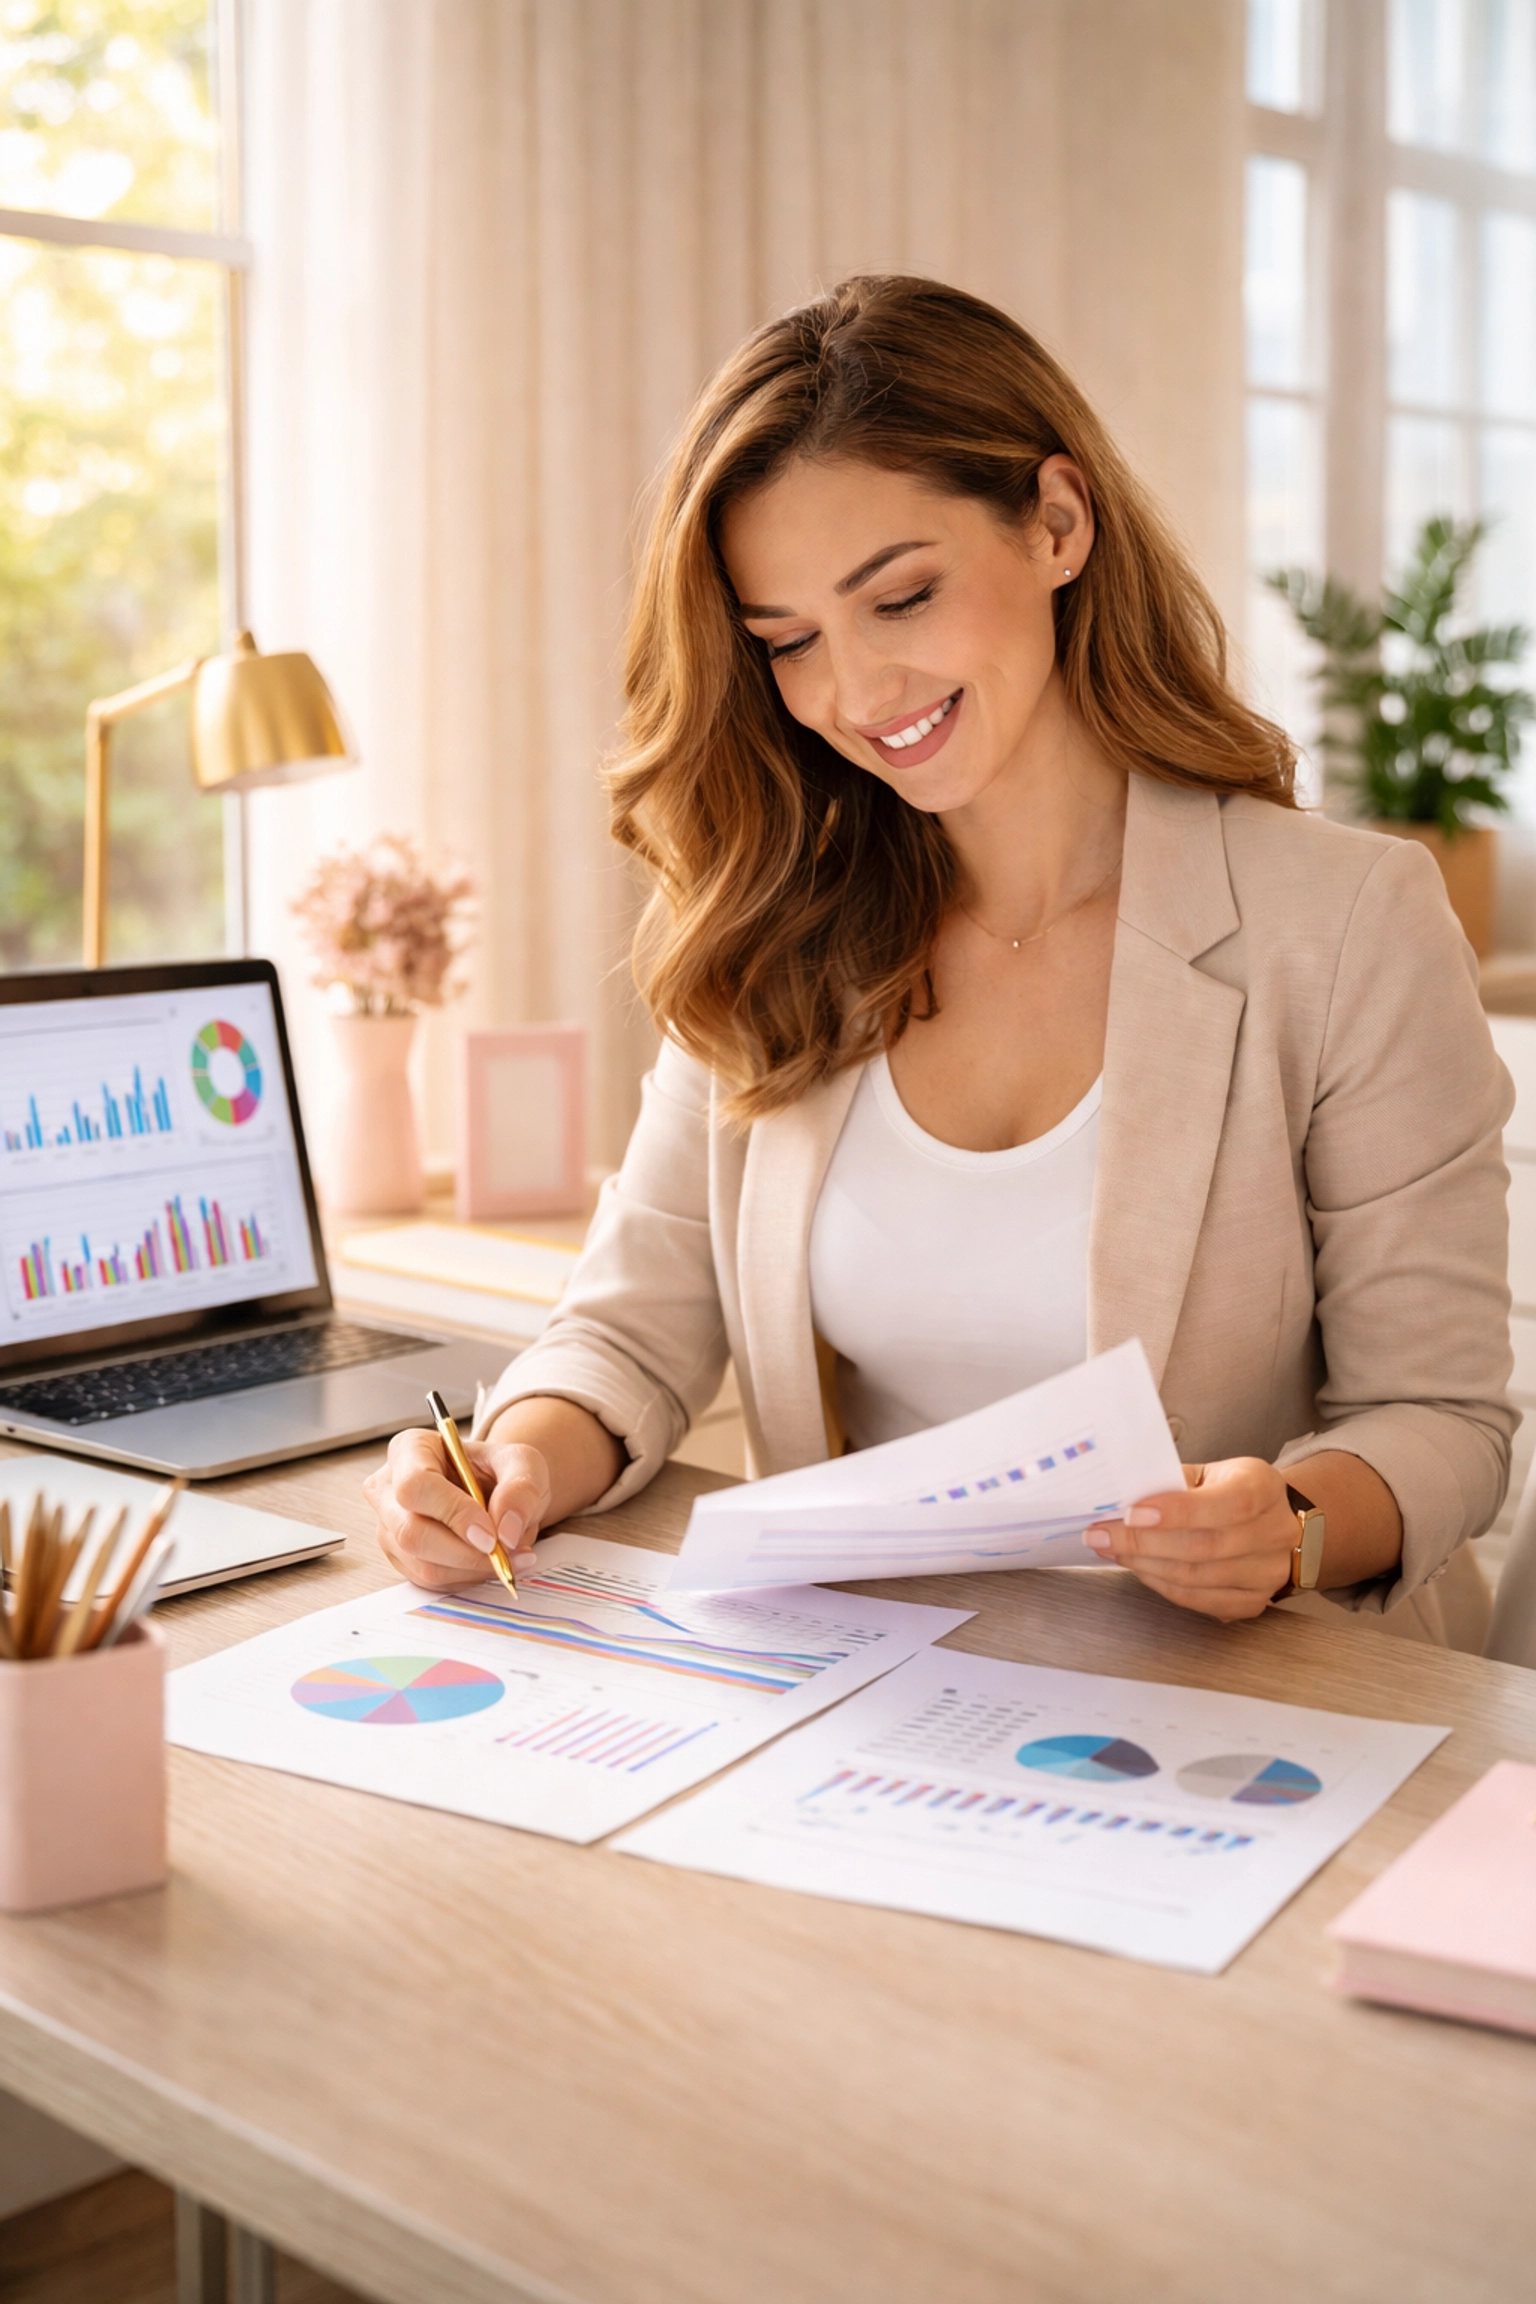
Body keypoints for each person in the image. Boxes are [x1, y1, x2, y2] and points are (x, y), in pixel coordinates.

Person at [365, 274, 1513, 1647]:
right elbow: (626, 1334)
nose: (855, 695)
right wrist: (515, 1461)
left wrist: (1292, 1525)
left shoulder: (1342, 921)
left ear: (1058, 524)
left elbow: (1446, 1422)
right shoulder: (776, 919)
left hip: (1259, 1711)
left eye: (901, 599)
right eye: (788, 642)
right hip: (877, 1704)